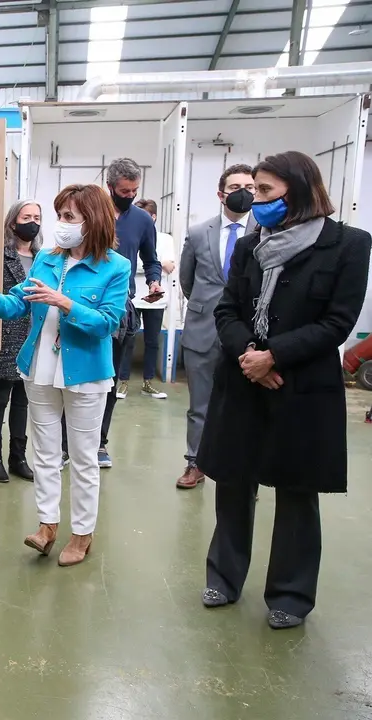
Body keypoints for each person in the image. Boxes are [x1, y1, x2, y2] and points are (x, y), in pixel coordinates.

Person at [197, 150, 371, 629]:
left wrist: (275, 356)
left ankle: (291, 595)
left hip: (301, 386)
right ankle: (224, 576)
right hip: (244, 378)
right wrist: (250, 358)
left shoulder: (349, 245)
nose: (256, 199)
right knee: (233, 482)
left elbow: (338, 321)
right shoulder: (252, 245)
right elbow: (227, 310)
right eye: (254, 190)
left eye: (265, 191)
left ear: (297, 190)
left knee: (297, 491)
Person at [0, 184, 130, 567]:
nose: (59, 224)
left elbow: (108, 323)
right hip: (39, 368)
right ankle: (47, 525)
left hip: (85, 374)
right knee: (44, 453)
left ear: (91, 221)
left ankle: (82, 534)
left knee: (81, 458)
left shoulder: (116, 266)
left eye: (68, 217)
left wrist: (65, 302)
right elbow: (19, 303)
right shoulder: (47, 258)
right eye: (59, 215)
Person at [59, 158, 159, 469]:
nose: (129, 195)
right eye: (124, 190)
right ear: (110, 187)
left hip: (117, 309)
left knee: (108, 378)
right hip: (76, 304)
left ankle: (99, 442)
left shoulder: (142, 221)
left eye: (135, 191)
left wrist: (154, 280)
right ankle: (66, 445)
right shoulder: (87, 216)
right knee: (69, 376)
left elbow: (151, 259)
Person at [176, 164, 255, 489]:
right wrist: (209, 308)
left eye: (250, 187)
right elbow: (187, 280)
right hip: (202, 329)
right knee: (200, 405)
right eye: (236, 186)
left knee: (247, 405)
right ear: (221, 194)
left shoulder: (266, 233)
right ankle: (196, 463)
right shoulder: (198, 233)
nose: (244, 193)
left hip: (249, 333)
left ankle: (243, 469)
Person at [0, 199, 41, 483]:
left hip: (33, 336)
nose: (33, 221)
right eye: (26, 216)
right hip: (4, 335)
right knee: (0, 398)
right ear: (13, 221)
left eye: (37, 217)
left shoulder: (44, 258)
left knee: (23, 401)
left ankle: (18, 457)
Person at [116, 198, 174, 400]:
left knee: (152, 341)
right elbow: (150, 262)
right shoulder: (124, 232)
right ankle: (122, 382)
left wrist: (153, 273)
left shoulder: (165, 238)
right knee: (127, 340)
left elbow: (165, 265)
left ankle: (148, 382)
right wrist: (155, 263)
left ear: (153, 217)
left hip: (154, 297)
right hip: (131, 297)